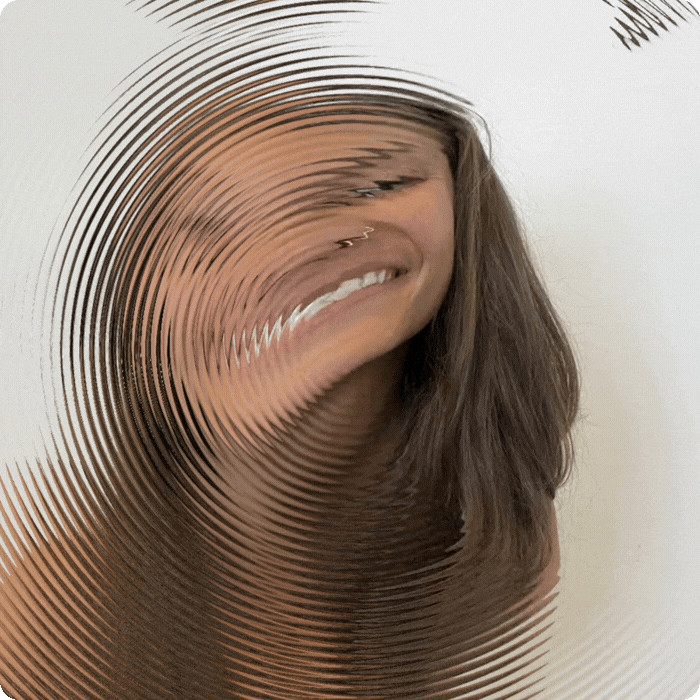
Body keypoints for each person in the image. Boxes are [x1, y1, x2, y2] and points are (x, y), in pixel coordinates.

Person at [0, 88, 579, 699]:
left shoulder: (503, 545)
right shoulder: (43, 615)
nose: (287, 250)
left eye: (377, 186)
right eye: (209, 226)